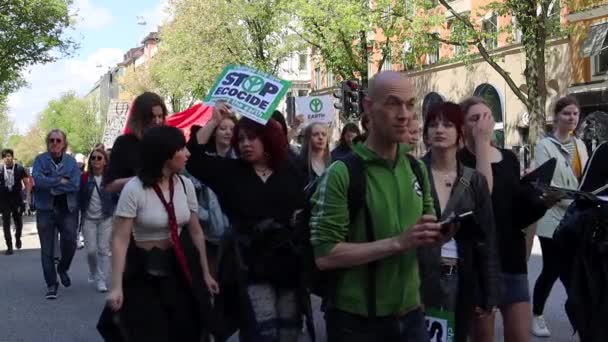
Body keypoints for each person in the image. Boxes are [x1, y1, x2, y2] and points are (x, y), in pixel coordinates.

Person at [309, 71, 441, 341]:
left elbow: (426, 227)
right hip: (356, 323)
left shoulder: (416, 169)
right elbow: (325, 255)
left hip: (412, 315)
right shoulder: (341, 173)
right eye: (393, 103)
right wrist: (398, 242)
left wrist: (436, 233)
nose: (404, 114)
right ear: (369, 108)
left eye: (410, 104)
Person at [187, 104, 310, 341]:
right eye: (240, 138)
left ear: (268, 139)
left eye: (252, 138)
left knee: (289, 331)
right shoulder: (230, 172)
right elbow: (194, 158)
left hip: (288, 264)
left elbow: (303, 211)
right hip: (250, 265)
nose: (245, 143)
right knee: (261, 331)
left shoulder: (290, 170)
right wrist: (213, 122)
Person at [105, 126, 218, 341]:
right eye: (181, 148)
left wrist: (205, 273)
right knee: (152, 333)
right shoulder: (134, 189)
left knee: (188, 330)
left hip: (181, 268)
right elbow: (120, 239)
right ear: (164, 154)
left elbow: (195, 232)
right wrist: (116, 286)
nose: (188, 154)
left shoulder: (186, 185)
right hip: (145, 273)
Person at [457, 97, 555, 342]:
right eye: (474, 118)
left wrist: (543, 203)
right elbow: (479, 201)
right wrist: (480, 144)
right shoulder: (458, 161)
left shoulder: (509, 158)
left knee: (520, 337)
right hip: (479, 262)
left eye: (487, 116)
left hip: (512, 258)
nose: (483, 123)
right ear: (462, 126)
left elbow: (517, 213)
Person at [418, 102, 499, 342]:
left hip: (461, 277)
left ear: (460, 133)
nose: (439, 130)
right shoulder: (413, 172)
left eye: (447, 124)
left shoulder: (474, 181)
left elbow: (487, 239)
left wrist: (489, 293)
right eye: (433, 125)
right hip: (419, 277)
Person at [530, 96, 589, 337]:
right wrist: (576, 196)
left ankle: (581, 312)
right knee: (553, 269)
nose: (572, 118)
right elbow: (548, 185)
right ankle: (537, 315)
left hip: (575, 216)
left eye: (575, 114)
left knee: (573, 268)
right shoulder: (545, 146)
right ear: (556, 116)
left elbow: (587, 179)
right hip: (551, 217)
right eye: (567, 114)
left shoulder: (581, 146)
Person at [32, 129, 81, 299]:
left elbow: (75, 184)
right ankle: (51, 284)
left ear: (64, 143)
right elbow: (37, 180)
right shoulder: (39, 160)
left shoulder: (71, 162)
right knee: (46, 249)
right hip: (45, 209)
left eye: (58, 140)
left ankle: (62, 268)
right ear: (47, 142)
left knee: (71, 242)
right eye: (51, 140)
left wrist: (50, 185)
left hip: (67, 209)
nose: (55, 143)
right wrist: (59, 180)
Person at [188, 113, 238, 277]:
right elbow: (192, 152)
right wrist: (205, 216)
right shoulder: (203, 162)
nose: (228, 132)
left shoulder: (241, 162)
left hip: (235, 234)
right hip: (208, 234)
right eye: (223, 128)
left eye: (232, 129)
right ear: (214, 132)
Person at [104, 92, 167, 195]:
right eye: (151, 116)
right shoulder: (123, 143)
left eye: (160, 116)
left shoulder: (167, 143)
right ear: (139, 118)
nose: (157, 121)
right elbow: (109, 186)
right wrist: (141, 180)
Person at [79, 148, 114, 292]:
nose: (96, 160)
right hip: (88, 218)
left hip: (106, 218)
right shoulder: (85, 178)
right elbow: (79, 197)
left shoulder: (110, 178)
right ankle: (93, 271)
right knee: (91, 251)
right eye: (93, 158)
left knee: (103, 250)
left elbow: (117, 196)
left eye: (99, 158)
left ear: (105, 161)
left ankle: (101, 280)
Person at [1, 149, 31, 255]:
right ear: (3, 159)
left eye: (9, 156)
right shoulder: (0, 169)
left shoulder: (19, 168)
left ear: (12, 157)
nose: (8, 158)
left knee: (18, 222)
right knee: (6, 223)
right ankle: (9, 246)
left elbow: (27, 183)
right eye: (5, 157)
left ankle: (18, 237)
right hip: (4, 199)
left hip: (17, 198)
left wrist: (27, 199)